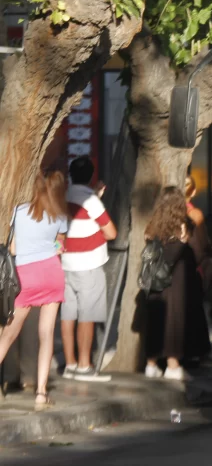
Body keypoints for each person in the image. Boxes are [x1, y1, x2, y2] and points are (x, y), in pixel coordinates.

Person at [0, 170, 68, 409]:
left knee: (8, 334)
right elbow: (61, 244)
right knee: (46, 334)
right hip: (51, 272)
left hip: (24, 275)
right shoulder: (59, 214)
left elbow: (14, 247)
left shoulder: (18, 212)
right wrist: (53, 246)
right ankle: (41, 393)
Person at [144, 187, 210, 380]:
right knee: (174, 322)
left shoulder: (152, 226)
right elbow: (198, 253)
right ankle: (173, 366)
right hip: (177, 282)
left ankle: (151, 365)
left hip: (155, 282)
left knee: (156, 321)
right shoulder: (184, 226)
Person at [60, 157, 117, 382]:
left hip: (65, 264)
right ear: (92, 176)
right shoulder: (91, 201)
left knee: (67, 315)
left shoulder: (64, 195)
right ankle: (84, 366)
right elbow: (112, 233)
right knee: (87, 315)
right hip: (89, 265)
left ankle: (70, 364)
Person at [185, 176, 212, 323]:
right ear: (194, 191)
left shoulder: (168, 211)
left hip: (177, 265)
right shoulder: (195, 214)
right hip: (195, 265)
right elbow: (204, 243)